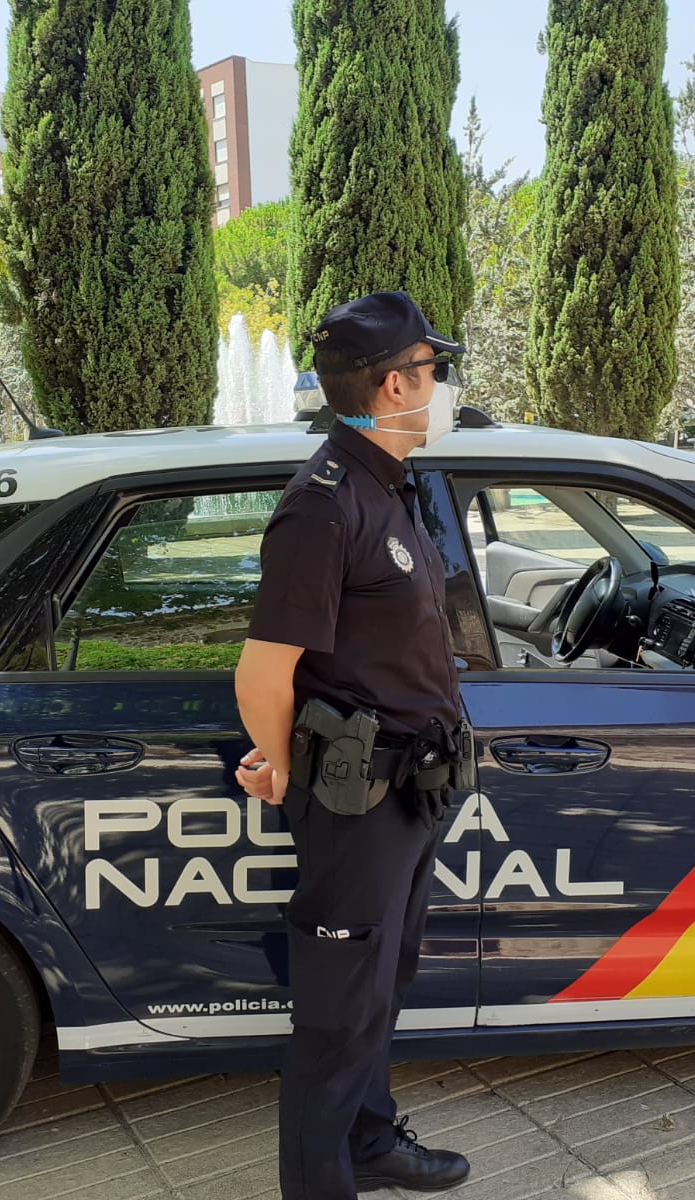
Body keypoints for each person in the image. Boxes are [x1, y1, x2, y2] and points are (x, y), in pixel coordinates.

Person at [234, 291, 474, 1199]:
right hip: (359, 802)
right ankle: (321, 1184)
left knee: (378, 987)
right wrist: (283, 760)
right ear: (390, 385)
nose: (441, 387)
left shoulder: (390, 486)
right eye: (432, 371)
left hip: (410, 791)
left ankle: (371, 1145)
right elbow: (262, 673)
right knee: (337, 1013)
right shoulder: (325, 508)